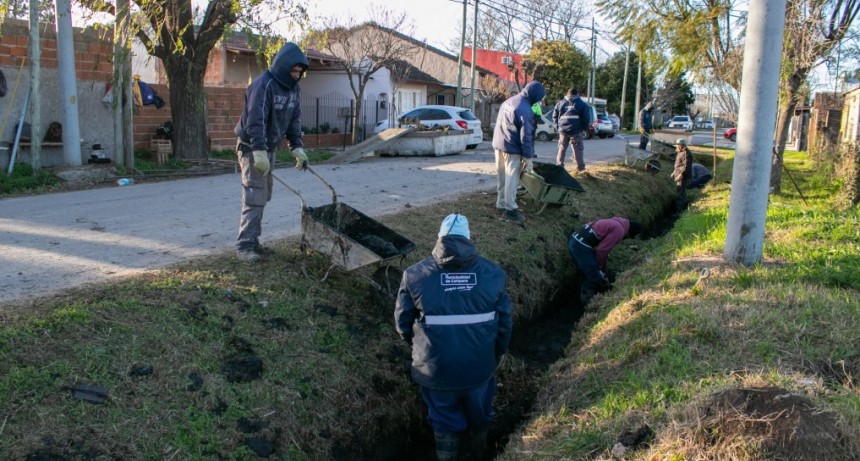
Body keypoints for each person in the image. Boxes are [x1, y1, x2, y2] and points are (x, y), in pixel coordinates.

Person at [395, 213, 513, 461]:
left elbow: (403, 324)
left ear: (440, 238)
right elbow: (504, 325)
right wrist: (496, 354)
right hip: (479, 369)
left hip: (435, 370)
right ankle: (479, 452)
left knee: (443, 419)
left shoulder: (415, 275)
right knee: (479, 414)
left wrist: (421, 349)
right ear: (469, 239)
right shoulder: (494, 274)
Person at [233, 42, 310, 262]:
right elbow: (255, 120)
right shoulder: (263, 85)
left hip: (269, 147)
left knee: (264, 195)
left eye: (299, 72)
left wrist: (296, 146)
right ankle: (244, 246)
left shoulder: (294, 89)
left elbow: (294, 118)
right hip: (252, 147)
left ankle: (254, 241)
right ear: (283, 66)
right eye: (293, 71)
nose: (296, 75)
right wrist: (258, 151)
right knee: (254, 195)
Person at [492, 81, 546, 224]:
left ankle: (501, 203)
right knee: (512, 178)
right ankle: (510, 210)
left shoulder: (509, 101)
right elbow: (526, 136)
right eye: (540, 97)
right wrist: (528, 157)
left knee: (502, 176)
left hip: (499, 144)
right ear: (535, 95)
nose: (539, 100)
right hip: (512, 148)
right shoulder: (525, 109)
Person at [567, 217, 643, 305]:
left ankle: (582, 293)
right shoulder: (619, 230)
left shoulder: (619, 222)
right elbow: (601, 251)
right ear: (629, 233)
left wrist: (603, 270)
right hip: (581, 245)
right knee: (594, 276)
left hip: (575, 239)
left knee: (587, 271)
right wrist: (599, 270)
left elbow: (603, 252)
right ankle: (587, 305)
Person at [552, 88, 591, 171]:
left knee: (562, 148)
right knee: (577, 149)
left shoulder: (560, 103)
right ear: (577, 94)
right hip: (576, 131)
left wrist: (558, 127)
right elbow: (586, 119)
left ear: (567, 94)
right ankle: (580, 168)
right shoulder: (582, 104)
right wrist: (583, 128)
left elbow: (554, 116)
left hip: (563, 130)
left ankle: (559, 166)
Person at [672, 138, 694, 210]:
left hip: (683, 177)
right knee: (681, 192)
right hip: (679, 175)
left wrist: (680, 175)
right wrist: (674, 172)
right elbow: (679, 164)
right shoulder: (680, 152)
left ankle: (679, 212)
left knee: (680, 194)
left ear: (681, 146)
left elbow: (686, 166)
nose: (676, 147)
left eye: (677, 145)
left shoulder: (686, 154)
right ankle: (682, 208)